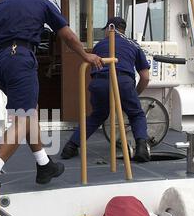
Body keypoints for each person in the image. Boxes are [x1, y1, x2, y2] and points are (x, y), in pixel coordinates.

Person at [0, 0, 103, 211]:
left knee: (31, 110)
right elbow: (68, 36)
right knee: (23, 118)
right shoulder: (39, 2)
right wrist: (86, 56)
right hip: (19, 57)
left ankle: (44, 165)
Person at [61, 17, 151, 162]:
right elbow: (145, 77)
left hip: (99, 82)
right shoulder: (134, 45)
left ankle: (70, 147)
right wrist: (134, 93)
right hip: (123, 81)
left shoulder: (99, 46)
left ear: (110, 29)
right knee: (136, 114)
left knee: (97, 115)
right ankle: (141, 148)